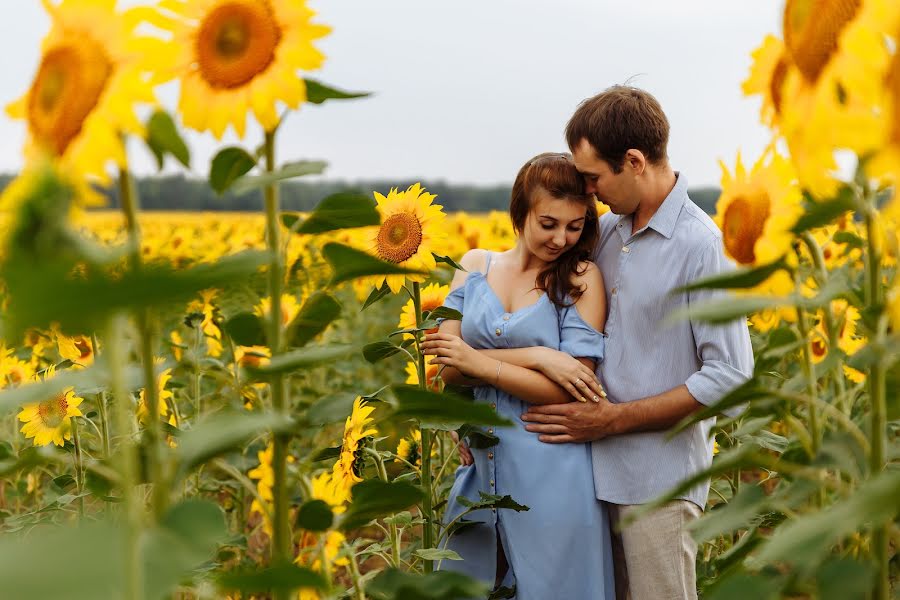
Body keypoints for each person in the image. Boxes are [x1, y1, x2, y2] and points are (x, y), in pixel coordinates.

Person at [515, 86, 754, 600]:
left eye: (594, 176)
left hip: (658, 484)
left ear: (634, 161)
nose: (589, 188)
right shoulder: (606, 234)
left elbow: (730, 377)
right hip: (588, 475)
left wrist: (614, 418)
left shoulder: (700, 245)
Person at [422, 152, 616, 599]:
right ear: (520, 211)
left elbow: (573, 389)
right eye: (548, 223)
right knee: (466, 584)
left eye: (575, 226)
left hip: (553, 468)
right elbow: (445, 366)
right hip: (480, 465)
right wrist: (541, 356)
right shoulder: (473, 266)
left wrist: (480, 363)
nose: (561, 238)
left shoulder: (582, 278)